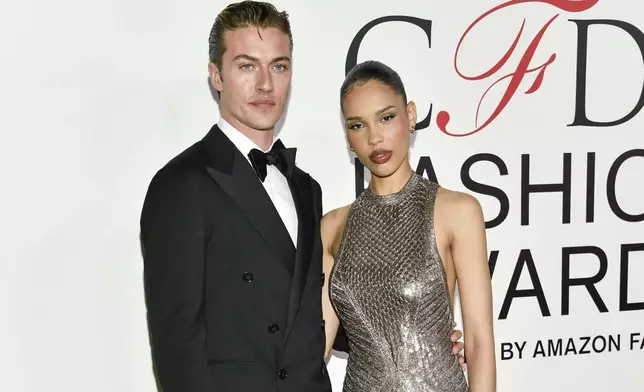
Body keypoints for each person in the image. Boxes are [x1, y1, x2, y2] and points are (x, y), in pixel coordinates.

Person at [140, 2, 466, 391]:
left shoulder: (305, 188)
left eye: (278, 66)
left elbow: (310, 317)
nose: (265, 84)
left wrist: (414, 340)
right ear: (216, 76)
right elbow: (177, 351)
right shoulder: (181, 185)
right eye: (247, 66)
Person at [321, 60, 496, 392]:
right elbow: (315, 346)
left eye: (386, 118)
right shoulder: (332, 226)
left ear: (411, 116)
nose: (375, 138)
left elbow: (479, 342)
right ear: (347, 135)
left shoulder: (457, 211)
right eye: (358, 125)